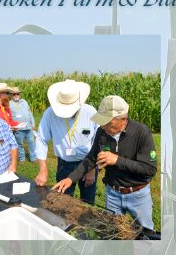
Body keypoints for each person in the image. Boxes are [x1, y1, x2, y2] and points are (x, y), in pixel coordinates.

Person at [53, 96, 158, 231]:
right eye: (102, 123)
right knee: (113, 232)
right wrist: (70, 178)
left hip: (137, 195)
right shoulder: (102, 131)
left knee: (146, 233)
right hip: (112, 194)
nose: (103, 127)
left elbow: (149, 169)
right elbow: (91, 159)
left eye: (108, 123)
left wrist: (117, 160)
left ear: (123, 120)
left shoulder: (141, 132)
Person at [35, 80, 99, 204]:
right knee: (63, 201)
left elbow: (98, 141)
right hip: (64, 164)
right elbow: (41, 139)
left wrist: (92, 168)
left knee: (88, 202)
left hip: (87, 163)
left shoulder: (91, 112)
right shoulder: (49, 114)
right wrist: (43, 169)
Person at [9, 86, 36, 162]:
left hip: (28, 127)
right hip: (18, 129)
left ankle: (33, 158)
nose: (16, 95)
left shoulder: (24, 101)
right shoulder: (9, 104)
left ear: (19, 94)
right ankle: (22, 159)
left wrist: (33, 124)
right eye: (14, 94)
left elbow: (30, 112)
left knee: (31, 143)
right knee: (19, 144)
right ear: (11, 95)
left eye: (17, 94)